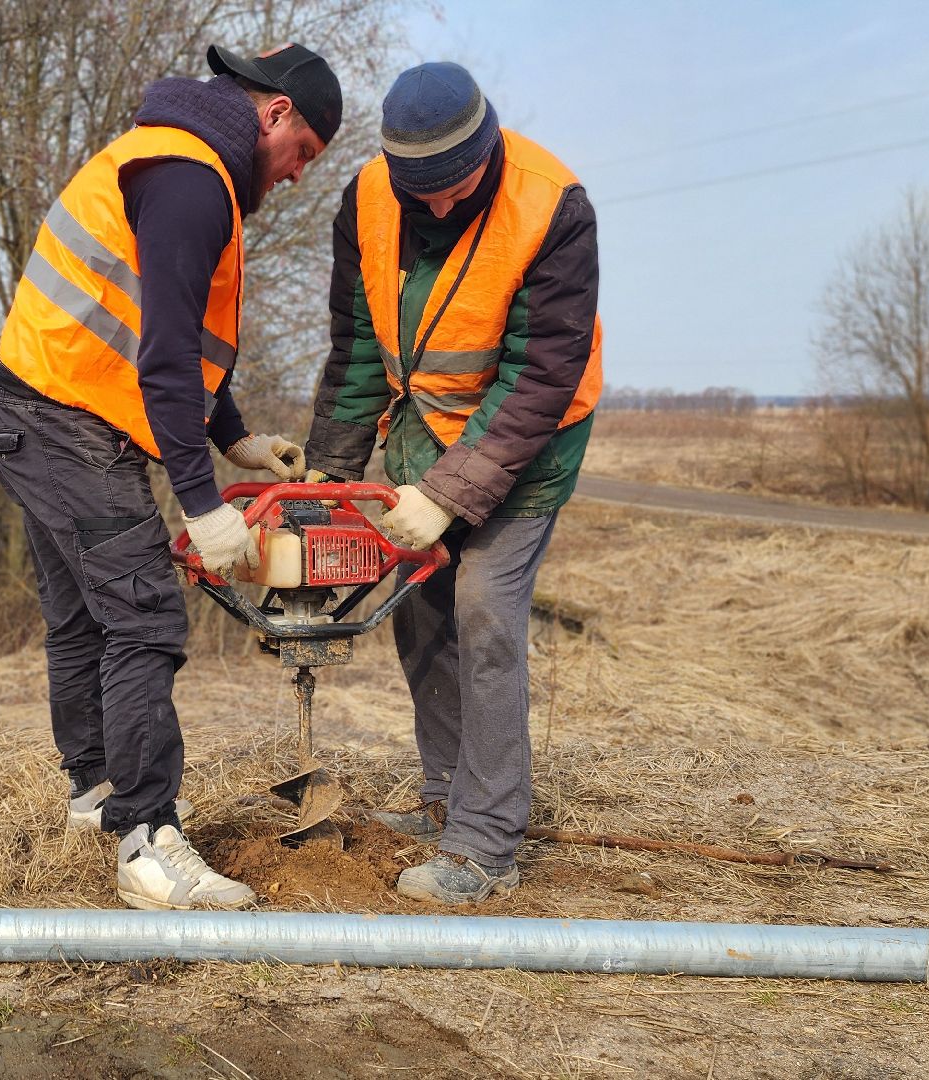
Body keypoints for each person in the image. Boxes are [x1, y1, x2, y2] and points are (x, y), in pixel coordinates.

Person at [0, 44, 343, 910]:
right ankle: (147, 841)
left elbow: (159, 332)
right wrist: (204, 502)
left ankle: (96, 792)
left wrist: (237, 438)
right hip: (66, 425)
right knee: (143, 618)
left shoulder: (168, 156)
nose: (295, 176)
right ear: (275, 115)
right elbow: (166, 359)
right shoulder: (189, 180)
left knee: (82, 615)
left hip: (28, 413)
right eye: (305, 156)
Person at [303, 62, 602, 905]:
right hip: (419, 436)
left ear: (489, 151)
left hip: (529, 440)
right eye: (417, 192)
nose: (434, 207)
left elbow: (540, 374)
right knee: (423, 611)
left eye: (453, 188)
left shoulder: (551, 206)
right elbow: (359, 345)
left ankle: (486, 843)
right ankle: (445, 800)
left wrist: (448, 496)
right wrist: (330, 471)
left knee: (482, 607)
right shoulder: (366, 200)